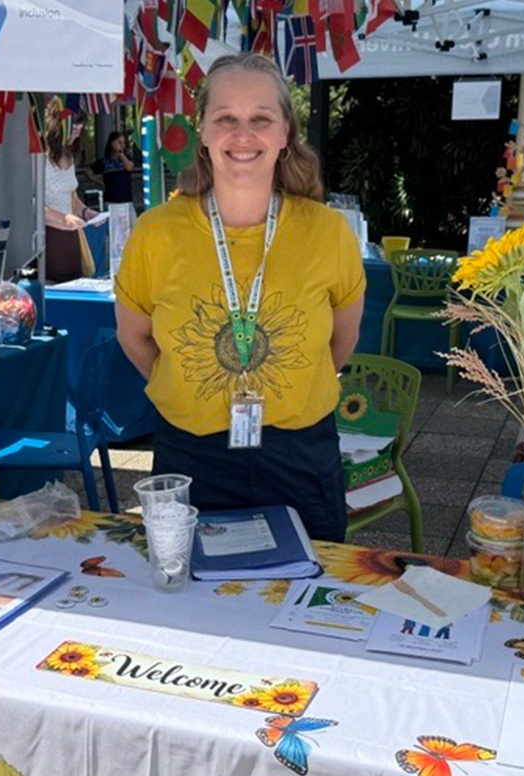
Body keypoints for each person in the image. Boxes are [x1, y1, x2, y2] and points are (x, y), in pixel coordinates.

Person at [116, 53, 365, 542]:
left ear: (286, 133)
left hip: (299, 456)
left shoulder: (329, 234)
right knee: (188, 599)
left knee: (304, 599)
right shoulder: (155, 234)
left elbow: (341, 342)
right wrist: (192, 387)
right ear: (203, 133)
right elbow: (135, 339)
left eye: (260, 119)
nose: (242, 134)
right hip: (192, 455)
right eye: (225, 118)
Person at [44, 102, 99, 283]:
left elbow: (71, 196)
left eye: (81, 125)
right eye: (74, 124)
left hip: (72, 236)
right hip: (50, 237)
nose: (78, 130)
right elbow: (33, 203)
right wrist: (64, 219)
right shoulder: (41, 156)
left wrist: (86, 212)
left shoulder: (70, 154)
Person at [90, 131, 134, 205]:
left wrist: (120, 153)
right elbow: (88, 172)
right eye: (119, 143)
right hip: (110, 201)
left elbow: (129, 167)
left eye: (124, 143)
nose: (122, 145)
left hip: (126, 200)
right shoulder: (104, 161)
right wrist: (100, 181)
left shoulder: (127, 158)